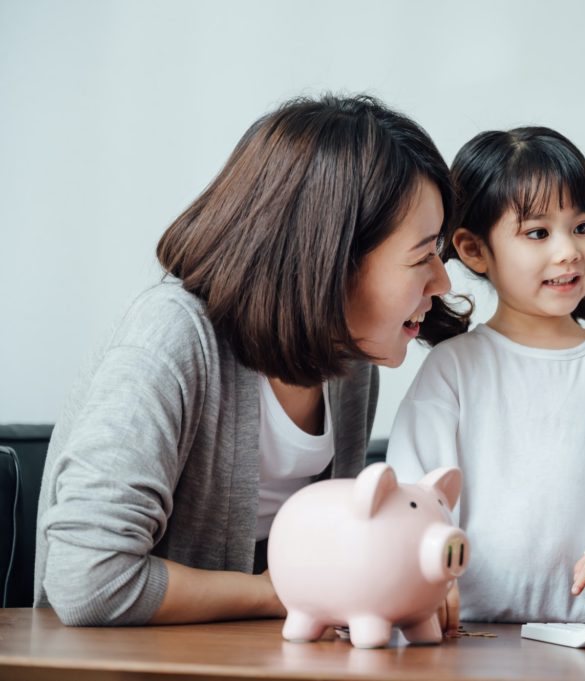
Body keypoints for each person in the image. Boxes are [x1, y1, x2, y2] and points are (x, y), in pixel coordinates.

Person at [34, 94, 465, 629]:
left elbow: (339, 555)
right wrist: (275, 594)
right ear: (332, 257)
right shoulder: (171, 336)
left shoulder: (352, 366)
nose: (443, 282)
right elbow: (87, 580)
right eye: (423, 255)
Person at [386, 126, 585, 623]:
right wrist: (429, 580)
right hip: (470, 634)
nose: (568, 251)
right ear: (475, 250)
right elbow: (420, 494)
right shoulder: (454, 369)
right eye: (538, 233)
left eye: (582, 227)